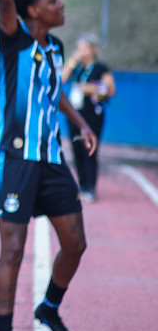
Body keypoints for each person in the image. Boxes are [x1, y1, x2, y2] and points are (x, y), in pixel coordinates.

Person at [0, 0, 98, 331]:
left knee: (76, 243)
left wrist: (80, 123)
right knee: (12, 251)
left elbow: (53, 90)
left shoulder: (56, 47)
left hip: (50, 159)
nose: (60, 3)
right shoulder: (15, 39)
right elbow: (4, 2)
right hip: (13, 159)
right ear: (33, 9)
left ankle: (48, 308)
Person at [62, 33, 116, 203]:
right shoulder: (77, 68)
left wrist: (91, 89)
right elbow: (62, 79)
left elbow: (110, 89)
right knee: (76, 149)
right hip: (74, 114)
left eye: (84, 48)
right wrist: (72, 60)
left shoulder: (100, 68)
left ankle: (91, 187)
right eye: (79, 48)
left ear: (93, 49)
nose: (81, 51)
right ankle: (82, 185)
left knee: (90, 150)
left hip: (92, 115)